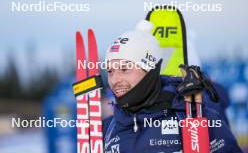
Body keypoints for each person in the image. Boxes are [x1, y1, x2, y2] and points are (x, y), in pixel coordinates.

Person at [102, 20, 242, 153]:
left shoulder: (195, 117)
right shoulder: (108, 128)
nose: (115, 80)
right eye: (110, 71)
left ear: (149, 70)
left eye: (125, 69)